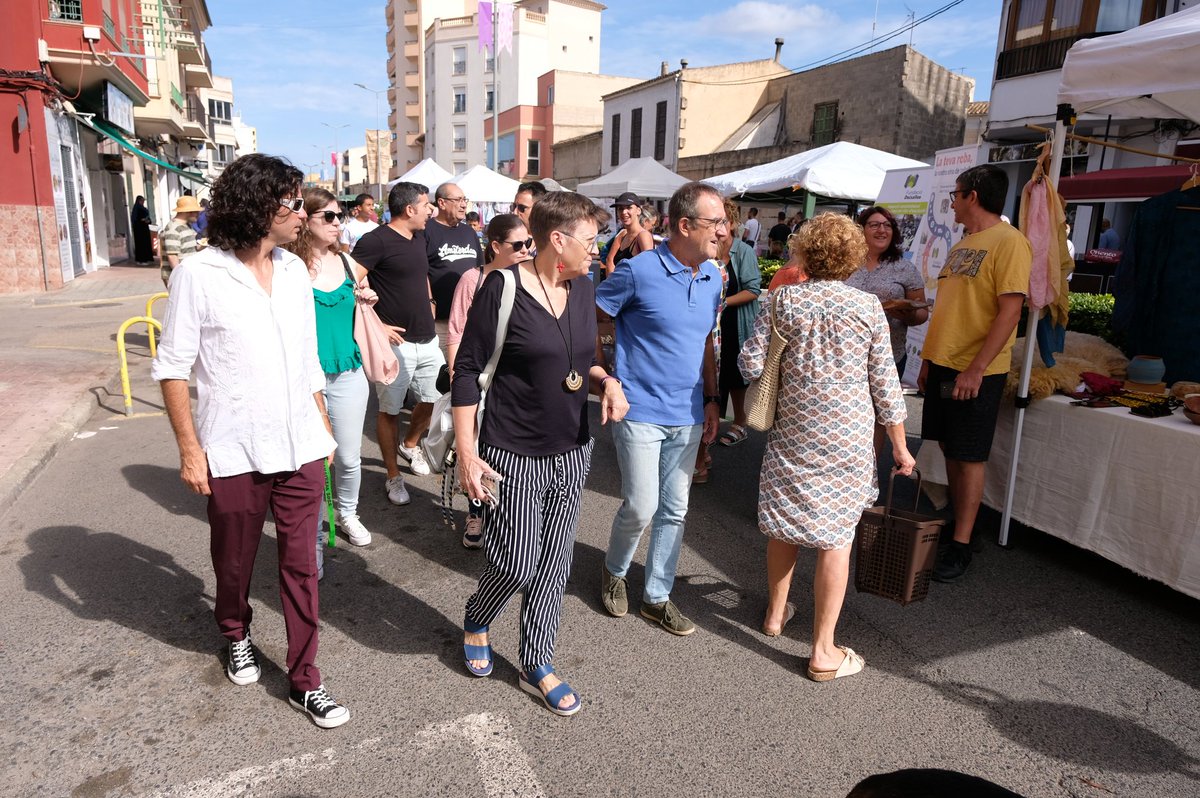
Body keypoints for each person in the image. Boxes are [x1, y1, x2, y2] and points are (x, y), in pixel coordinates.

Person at [150, 153, 349, 728]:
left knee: (302, 565)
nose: (300, 211)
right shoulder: (199, 274)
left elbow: (307, 361)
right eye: (290, 201)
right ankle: (233, 629)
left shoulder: (293, 270)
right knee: (233, 562)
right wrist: (191, 450)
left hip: (301, 444)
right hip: (233, 447)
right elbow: (172, 367)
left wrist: (325, 428)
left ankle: (305, 679)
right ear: (258, 208)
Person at [454, 192, 628, 716]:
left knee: (554, 562)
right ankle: (478, 616)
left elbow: (584, 360)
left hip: (572, 449)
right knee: (515, 560)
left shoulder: (582, 288)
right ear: (558, 240)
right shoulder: (502, 287)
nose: (597, 250)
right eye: (591, 240)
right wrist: (466, 450)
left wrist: (606, 381)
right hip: (512, 450)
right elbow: (467, 369)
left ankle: (538, 658)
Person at [739, 213, 915, 681]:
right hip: (849, 440)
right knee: (836, 539)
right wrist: (899, 446)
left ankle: (775, 616)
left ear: (805, 252)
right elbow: (886, 386)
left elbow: (749, 362)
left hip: (793, 432)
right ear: (853, 257)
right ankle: (822, 651)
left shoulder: (781, 302)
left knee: (785, 526)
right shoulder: (867, 307)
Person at [596, 181, 723, 636]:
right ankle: (613, 570)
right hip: (640, 409)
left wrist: (711, 399)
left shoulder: (712, 277)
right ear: (684, 225)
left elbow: (706, 341)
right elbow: (596, 316)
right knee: (642, 505)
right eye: (716, 223)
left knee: (675, 509)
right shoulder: (639, 270)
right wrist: (608, 376)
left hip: (689, 413)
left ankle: (656, 596)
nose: (723, 232)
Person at [918, 164, 1031, 583]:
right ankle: (960, 524)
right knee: (950, 447)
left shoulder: (1010, 241)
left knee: (969, 454)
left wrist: (976, 369)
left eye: (956, 194)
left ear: (973, 196)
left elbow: (1011, 311)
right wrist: (930, 359)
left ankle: (962, 543)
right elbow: (950, 310)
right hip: (946, 363)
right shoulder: (965, 243)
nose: (952, 202)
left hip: (976, 371)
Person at [283, 187, 375, 567]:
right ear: (308, 221)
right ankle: (315, 536)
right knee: (313, 464)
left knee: (349, 459)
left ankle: (347, 514)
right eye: (330, 217)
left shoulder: (349, 263)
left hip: (349, 371)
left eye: (340, 217)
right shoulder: (289, 266)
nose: (339, 224)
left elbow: (365, 300)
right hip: (305, 378)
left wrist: (368, 299)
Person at [445, 213, 532, 549]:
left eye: (530, 243)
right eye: (518, 244)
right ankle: (477, 512)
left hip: (517, 383)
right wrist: (459, 381)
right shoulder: (474, 278)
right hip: (480, 381)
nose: (526, 250)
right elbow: (455, 332)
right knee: (477, 448)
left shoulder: (530, 277)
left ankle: (511, 516)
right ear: (495, 246)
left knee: (512, 454)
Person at [351, 181, 442, 493]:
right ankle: (393, 477)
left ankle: (410, 443)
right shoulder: (374, 241)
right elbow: (346, 285)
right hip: (394, 346)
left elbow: (422, 275)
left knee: (435, 398)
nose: (431, 211)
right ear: (409, 209)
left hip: (428, 339)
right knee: (389, 410)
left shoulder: (419, 237)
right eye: (427, 205)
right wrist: (378, 326)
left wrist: (430, 302)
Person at [848, 206, 928, 377]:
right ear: (861, 230)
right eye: (875, 225)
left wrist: (907, 315)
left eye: (887, 225)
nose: (882, 230)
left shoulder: (905, 268)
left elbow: (922, 312)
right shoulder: (845, 264)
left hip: (889, 357)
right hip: (847, 354)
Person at [714, 198, 762, 450]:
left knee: (736, 375)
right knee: (714, 371)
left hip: (736, 321)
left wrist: (721, 303)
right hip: (713, 323)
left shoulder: (742, 251)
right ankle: (713, 421)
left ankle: (740, 423)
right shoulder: (707, 248)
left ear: (731, 224)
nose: (718, 227)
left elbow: (753, 289)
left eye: (722, 221)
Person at [425, 182, 483, 320]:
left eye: (464, 200)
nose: (463, 205)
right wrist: (429, 301)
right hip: (439, 318)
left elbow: (480, 269)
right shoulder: (426, 230)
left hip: (470, 318)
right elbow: (420, 272)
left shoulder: (469, 232)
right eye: (458, 200)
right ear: (442, 203)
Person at [603, 192, 655, 276]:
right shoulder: (622, 234)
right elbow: (610, 260)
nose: (624, 212)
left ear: (638, 211)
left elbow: (649, 268)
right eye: (620, 208)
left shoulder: (643, 236)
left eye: (629, 207)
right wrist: (611, 285)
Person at [159, 195, 202, 287]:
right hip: (178, 276)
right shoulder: (173, 229)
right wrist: (179, 275)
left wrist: (206, 244)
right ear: (189, 212)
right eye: (196, 212)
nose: (198, 214)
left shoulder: (187, 226)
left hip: (187, 274)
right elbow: (172, 256)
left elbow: (192, 248)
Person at [131, 195, 153, 265]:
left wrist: (148, 221)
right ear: (139, 201)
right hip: (139, 230)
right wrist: (142, 220)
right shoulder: (136, 209)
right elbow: (135, 219)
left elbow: (148, 218)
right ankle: (141, 260)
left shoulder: (143, 208)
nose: (143, 202)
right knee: (140, 245)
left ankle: (146, 259)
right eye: (142, 200)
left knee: (145, 244)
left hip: (144, 229)